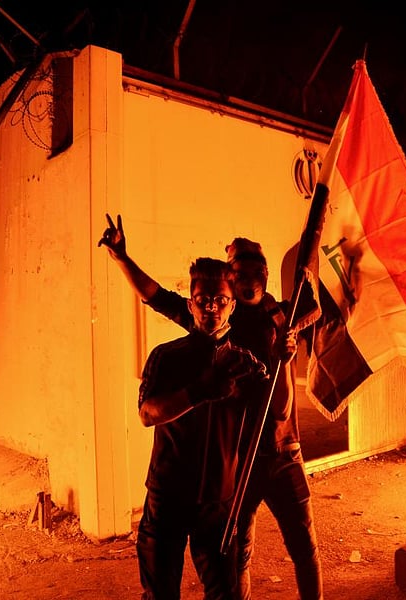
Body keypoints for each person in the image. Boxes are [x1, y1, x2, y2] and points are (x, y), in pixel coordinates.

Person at [99, 214, 324, 600]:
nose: (213, 308)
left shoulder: (276, 319)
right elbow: (153, 294)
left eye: (254, 270)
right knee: (224, 567)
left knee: (293, 552)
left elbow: (283, 404)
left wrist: (285, 354)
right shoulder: (186, 343)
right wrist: (122, 258)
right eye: (238, 271)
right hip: (207, 477)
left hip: (271, 458)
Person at [135, 256, 269, 600]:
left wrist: (283, 358)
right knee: (160, 594)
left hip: (218, 503)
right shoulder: (166, 357)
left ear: (232, 306)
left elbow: (264, 426)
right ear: (191, 304)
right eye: (203, 300)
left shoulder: (245, 364)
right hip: (167, 498)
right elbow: (148, 414)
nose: (211, 308)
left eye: (220, 300)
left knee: (225, 594)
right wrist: (200, 392)